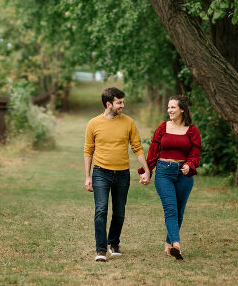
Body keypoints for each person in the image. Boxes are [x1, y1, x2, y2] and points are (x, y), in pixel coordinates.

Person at [84, 87, 150, 262]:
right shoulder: (93, 124)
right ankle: (101, 250)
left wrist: (146, 169)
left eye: (122, 101)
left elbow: (137, 147)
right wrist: (87, 176)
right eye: (119, 102)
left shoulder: (128, 122)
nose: (123, 105)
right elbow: (88, 151)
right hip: (100, 173)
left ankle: (114, 243)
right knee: (101, 210)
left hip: (122, 174)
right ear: (108, 104)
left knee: (119, 212)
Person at [138, 95, 201, 260]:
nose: (169, 110)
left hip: (183, 174)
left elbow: (195, 154)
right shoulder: (162, 127)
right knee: (170, 209)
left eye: (173, 107)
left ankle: (168, 245)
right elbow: (153, 153)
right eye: (168, 107)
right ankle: (177, 245)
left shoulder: (192, 130)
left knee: (179, 212)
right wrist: (147, 171)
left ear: (182, 110)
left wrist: (189, 165)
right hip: (164, 172)